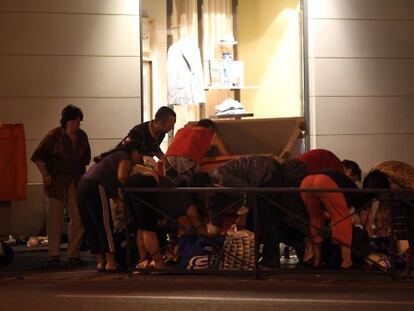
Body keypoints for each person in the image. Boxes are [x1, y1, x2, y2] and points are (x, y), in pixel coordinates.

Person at [31, 105, 91, 264]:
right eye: (73, 122)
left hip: (76, 179)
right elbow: (37, 156)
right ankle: (54, 253)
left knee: (78, 216)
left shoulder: (82, 136)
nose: (77, 125)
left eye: (79, 122)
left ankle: (74, 253)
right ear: (66, 121)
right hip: (56, 181)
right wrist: (45, 175)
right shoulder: (53, 136)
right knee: (55, 217)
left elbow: (86, 159)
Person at [77, 141, 145, 272]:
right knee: (104, 225)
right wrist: (128, 191)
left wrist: (122, 203)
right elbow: (121, 177)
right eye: (140, 157)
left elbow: (113, 188)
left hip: (82, 185)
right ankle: (111, 262)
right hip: (95, 186)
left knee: (91, 225)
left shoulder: (114, 156)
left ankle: (101, 262)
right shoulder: (125, 156)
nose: (138, 162)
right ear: (135, 152)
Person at [300, 169, 362, 269]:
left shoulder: (339, 177)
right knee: (343, 218)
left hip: (306, 181)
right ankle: (347, 262)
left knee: (314, 218)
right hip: (325, 181)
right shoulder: (353, 188)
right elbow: (360, 213)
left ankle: (316, 261)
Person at [163, 119, 229, 185]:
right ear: (211, 128)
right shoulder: (211, 134)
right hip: (187, 159)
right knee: (192, 187)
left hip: (168, 159)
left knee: (171, 189)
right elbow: (225, 154)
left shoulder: (181, 130)